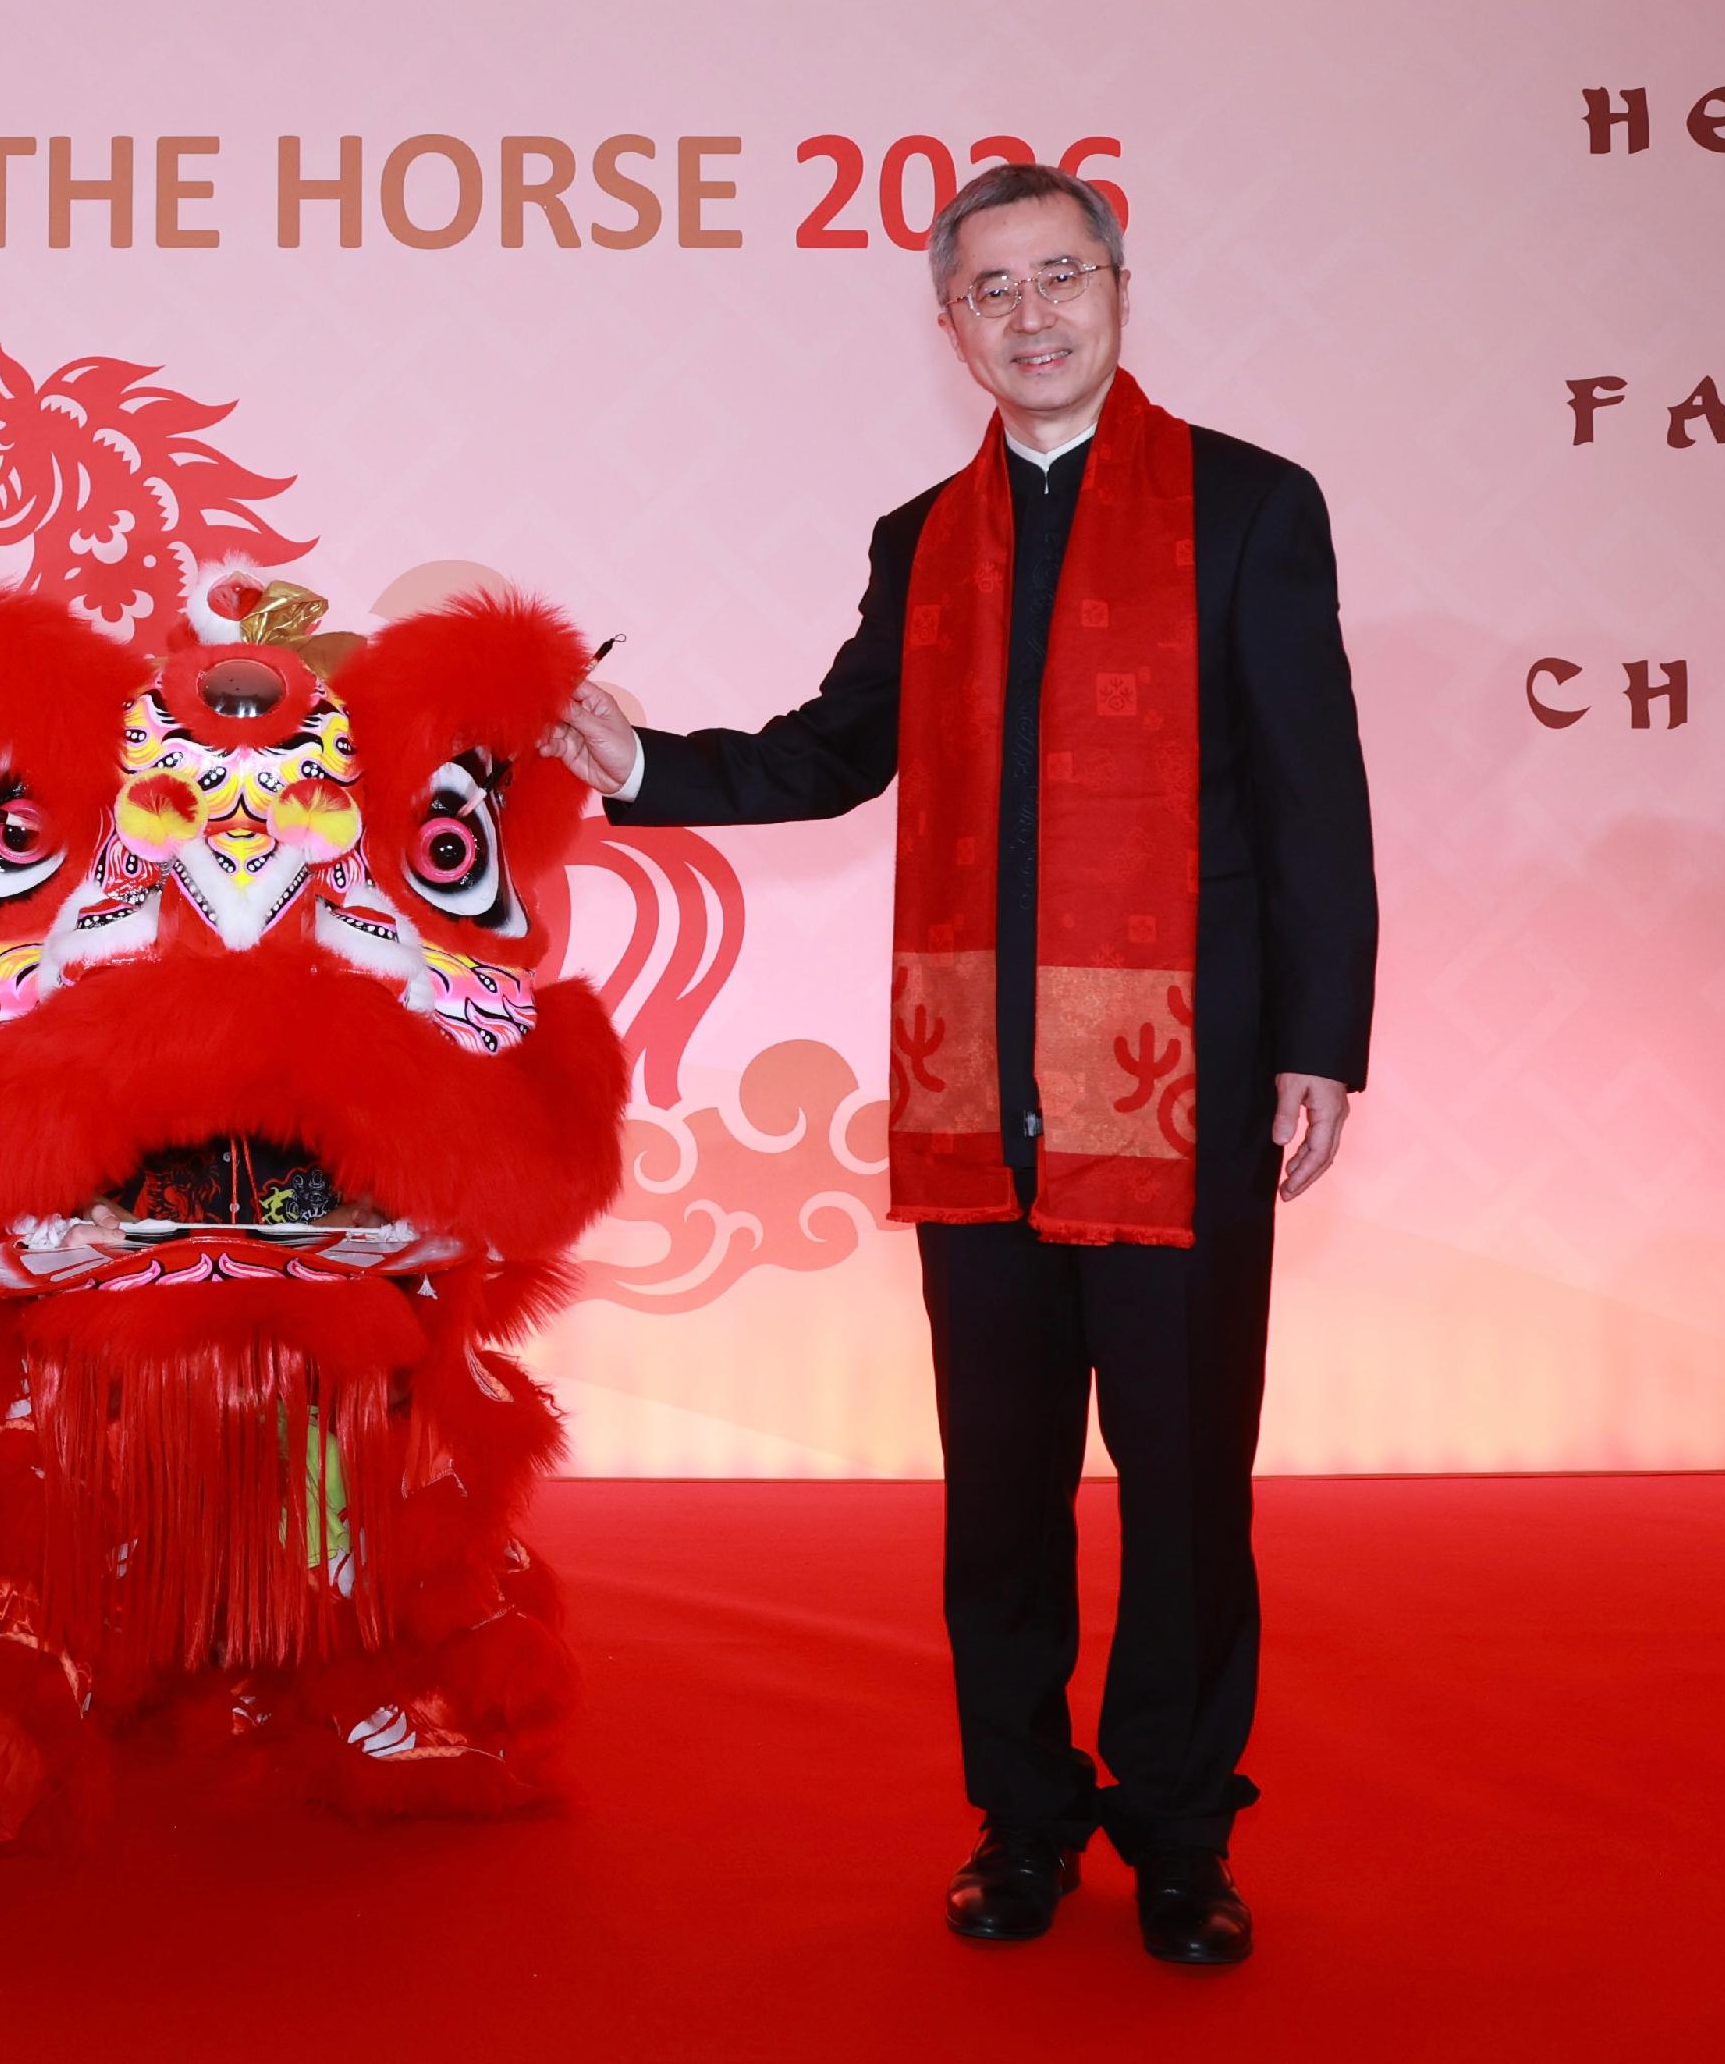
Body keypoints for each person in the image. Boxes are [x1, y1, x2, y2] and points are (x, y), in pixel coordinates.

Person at [543, 164, 1374, 1968]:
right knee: (998, 1485)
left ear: (1118, 287)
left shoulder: (1249, 507)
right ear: (951, 328)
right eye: (990, 291)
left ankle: (1174, 1829)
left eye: (1058, 276)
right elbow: (838, 751)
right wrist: (640, 767)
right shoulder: (923, 537)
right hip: (972, 1084)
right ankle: (1021, 1818)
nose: (1031, 314)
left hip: (1180, 1078)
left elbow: (1315, 794)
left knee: (1181, 1480)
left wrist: (1319, 1040)